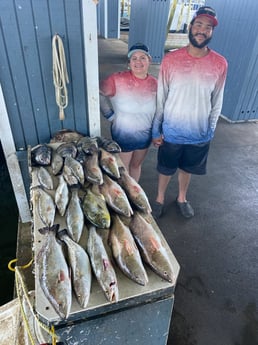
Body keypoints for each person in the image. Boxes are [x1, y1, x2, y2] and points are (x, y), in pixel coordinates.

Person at [151, 6, 228, 219]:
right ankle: (159, 198)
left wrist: (210, 129)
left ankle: (182, 198)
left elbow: (217, 100)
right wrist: (156, 129)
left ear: (212, 32)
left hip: (199, 133)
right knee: (166, 168)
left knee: (187, 168)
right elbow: (161, 97)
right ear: (190, 26)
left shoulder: (220, 63)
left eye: (208, 27)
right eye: (199, 24)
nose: (202, 30)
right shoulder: (171, 59)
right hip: (171, 131)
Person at [99, 43, 157, 182]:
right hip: (123, 134)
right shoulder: (116, 79)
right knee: (123, 169)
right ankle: (125, 197)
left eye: (143, 57)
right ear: (129, 63)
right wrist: (109, 115)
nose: (138, 62)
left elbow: (160, 110)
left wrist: (157, 132)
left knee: (136, 165)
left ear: (149, 60)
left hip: (145, 135)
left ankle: (135, 192)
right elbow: (97, 93)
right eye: (134, 58)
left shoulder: (155, 83)